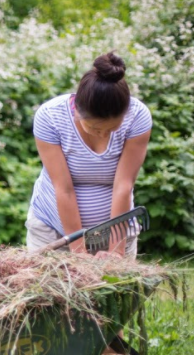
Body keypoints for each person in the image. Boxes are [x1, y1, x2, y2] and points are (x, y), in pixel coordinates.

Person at [25, 51, 152, 258]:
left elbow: (123, 185)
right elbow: (64, 189)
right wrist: (79, 253)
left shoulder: (137, 116)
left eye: (111, 129)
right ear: (77, 111)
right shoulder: (50, 116)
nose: (103, 134)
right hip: (53, 233)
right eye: (94, 128)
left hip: (115, 232)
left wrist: (116, 253)